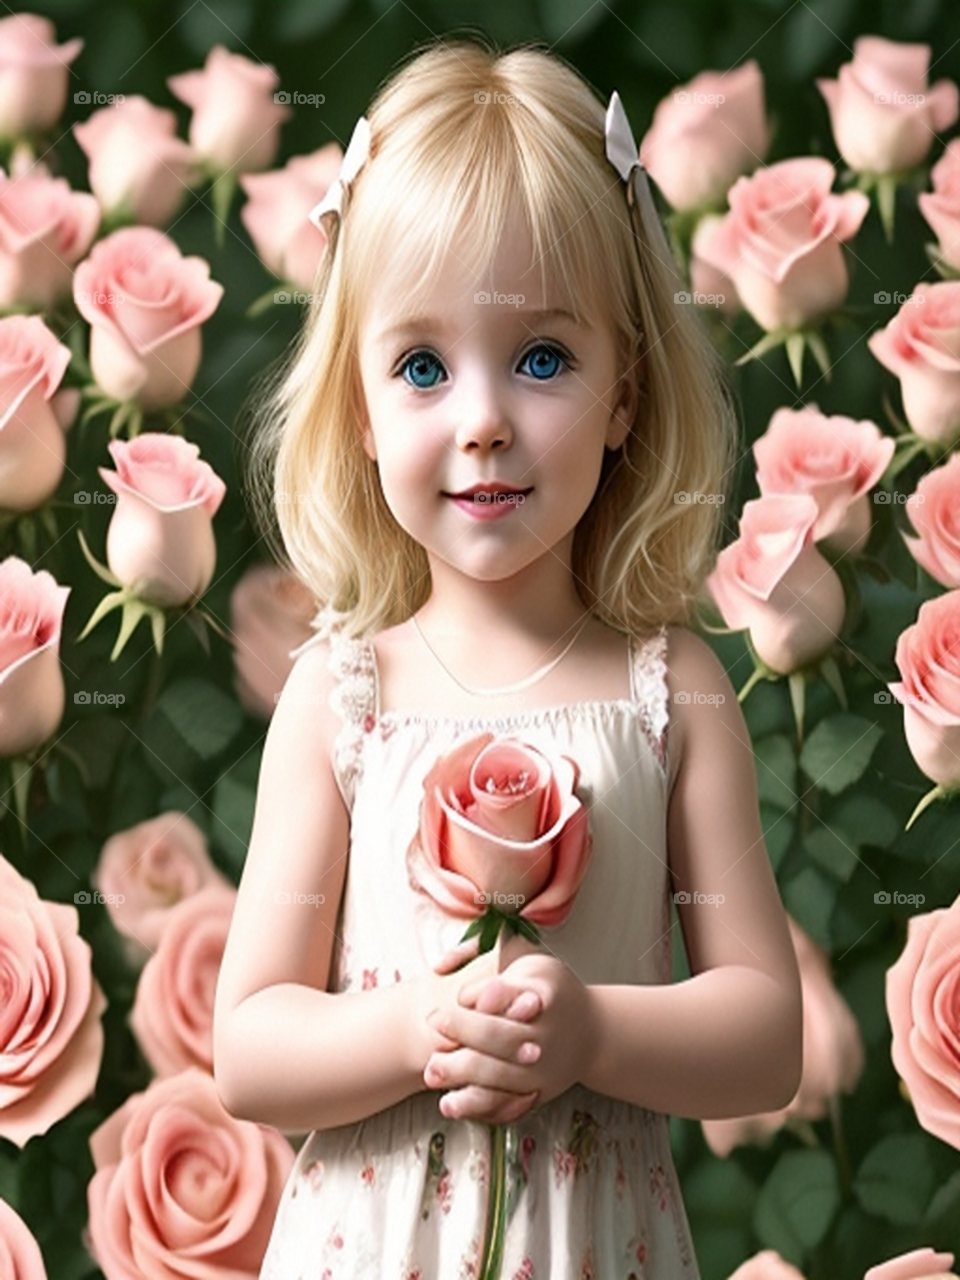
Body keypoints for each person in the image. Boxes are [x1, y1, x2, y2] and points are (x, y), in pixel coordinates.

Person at [214, 35, 803, 1280]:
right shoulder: (340, 695)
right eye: (422, 366)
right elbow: (252, 1047)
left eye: (543, 359)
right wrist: (415, 1024)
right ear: (364, 414)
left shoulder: (669, 689)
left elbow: (763, 1034)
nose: (482, 418)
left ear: (627, 392)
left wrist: (591, 1028)